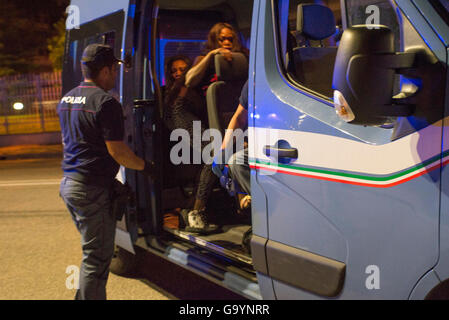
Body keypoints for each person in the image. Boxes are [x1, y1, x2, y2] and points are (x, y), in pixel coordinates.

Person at [58, 44, 154, 300]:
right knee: (97, 259)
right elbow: (118, 152)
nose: (115, 75)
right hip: (91, 190)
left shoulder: (68, 98)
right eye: (114, 69)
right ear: (105, 70)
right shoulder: (104, 102)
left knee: (93, 253)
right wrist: (146, 167)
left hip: (70, 185)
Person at [162, 55, 219, 234]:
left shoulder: (197, 89)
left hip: (195, 134)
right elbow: (178, 123)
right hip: (182, 140)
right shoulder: (175, 96)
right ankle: (195, 213)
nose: (178, 73)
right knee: (213, 157)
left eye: (182, 69)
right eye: (174, 71)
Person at [212, 80, 250, 210]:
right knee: (232, 161)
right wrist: (223, 150)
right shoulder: (253, 82)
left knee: (238, 160)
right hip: (261, 142)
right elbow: (239, 118)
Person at [185, 22, 249, 94]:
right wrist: (211, 54)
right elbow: (189, 81)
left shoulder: (241, 57)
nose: (227, 42)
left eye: (230, 39)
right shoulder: (204, 58)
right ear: (214, 40)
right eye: (222, 39)